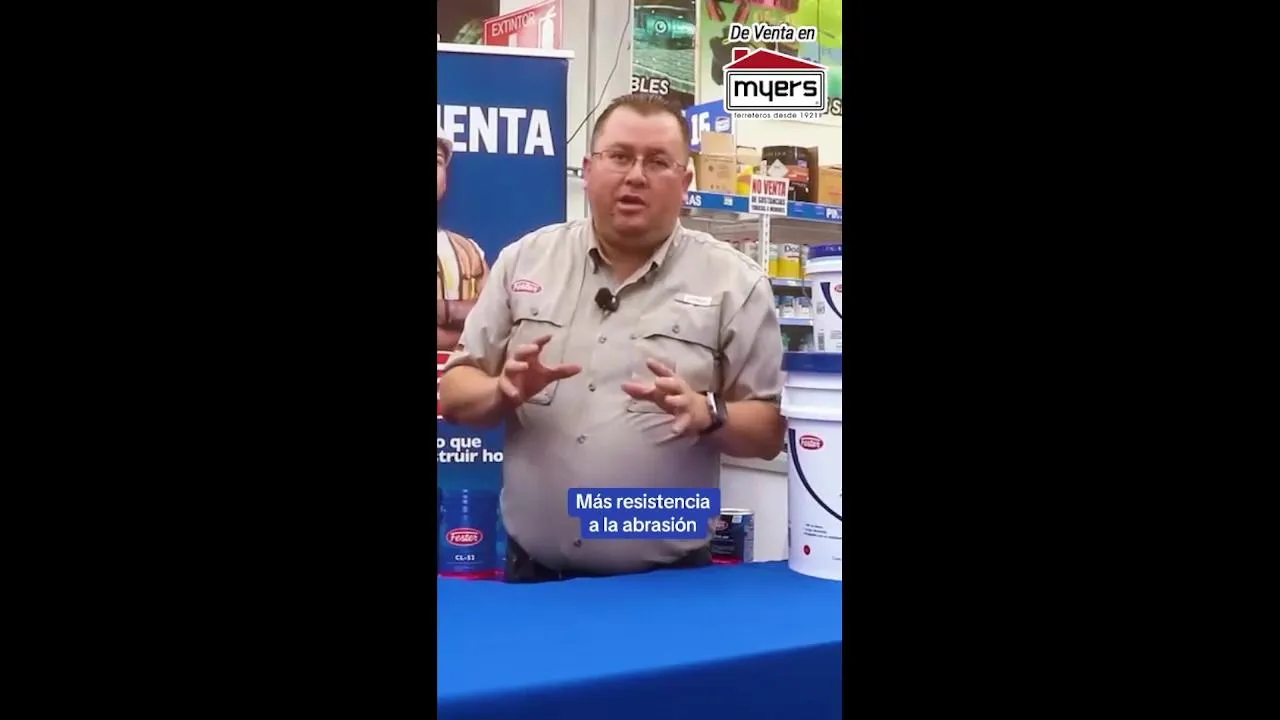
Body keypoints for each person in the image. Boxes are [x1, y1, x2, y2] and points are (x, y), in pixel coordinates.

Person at [438, 93, 785, 582]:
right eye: (619, 156)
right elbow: (455, 392)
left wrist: (710, 414)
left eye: (658, 161)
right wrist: (502, 391)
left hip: (669, 584)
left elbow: (769, 432)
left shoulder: (736, 283)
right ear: (588, 169)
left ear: (685, 182)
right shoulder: (524, 261)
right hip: (534, 582)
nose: (636, 176)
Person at [437, 126, 490, 352]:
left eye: (437, 161)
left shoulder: (468, 252)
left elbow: (497, 322)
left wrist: (445, 310)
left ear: (445, 181)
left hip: (458, 374)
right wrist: (463, 329)